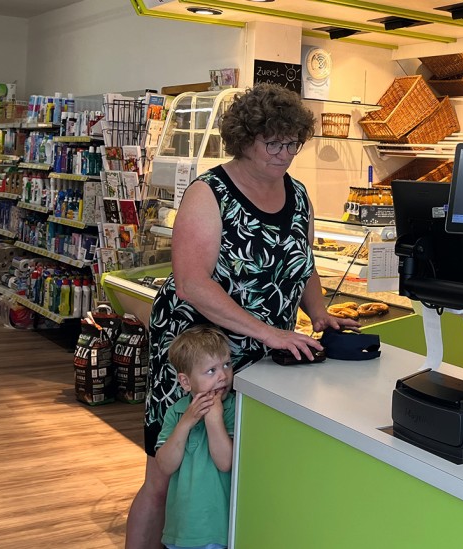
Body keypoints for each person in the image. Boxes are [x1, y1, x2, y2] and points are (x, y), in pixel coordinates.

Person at [126, 83, 360, 548]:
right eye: (273, 142)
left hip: (260, 359)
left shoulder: (297, 193)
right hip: (200, 356)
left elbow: (302, 261)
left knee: (230, 469)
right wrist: (269, 332)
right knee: (167, 472)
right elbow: (193, 282)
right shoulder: (209, 192)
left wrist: (319, 313)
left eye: (292, 142)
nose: (284, 153)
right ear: (244, 138)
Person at [156, 325, 235, 549]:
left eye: (227, 365)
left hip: (218, 529)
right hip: (182, 529)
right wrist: (186, 423)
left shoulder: (234, 410)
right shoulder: (177, 412)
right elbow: (165, 465)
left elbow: (225, 462)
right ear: (186, 382)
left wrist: (213, 419)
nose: (223, 376)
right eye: (211, 370)